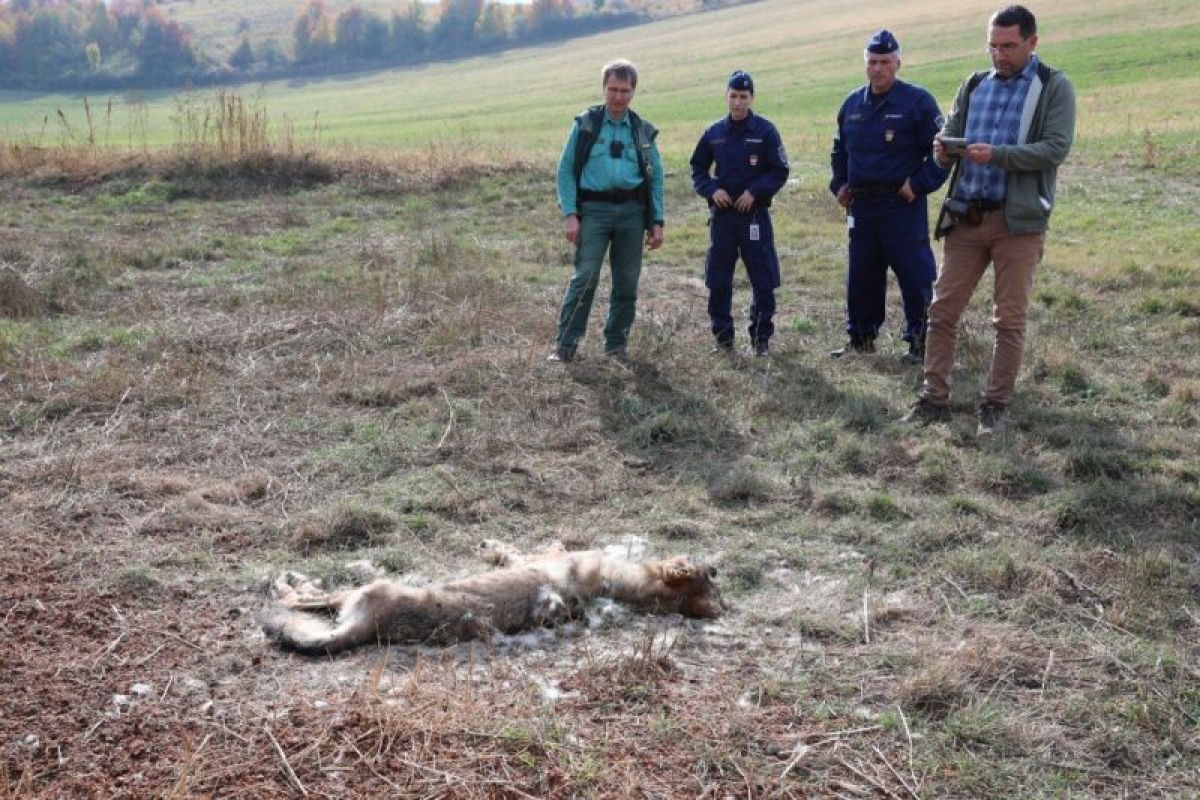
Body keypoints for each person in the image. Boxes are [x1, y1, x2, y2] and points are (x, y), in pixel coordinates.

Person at [903, 5, 1075, 435]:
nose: (999, 55)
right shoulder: (974, 84)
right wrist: (943, 150)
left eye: (1008, 46)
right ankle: (933, 399)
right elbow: (950, 134)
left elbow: (1055, 148)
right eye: (992, 46)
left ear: (1033, 42)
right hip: (966, 216)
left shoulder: (1053, 86)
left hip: (1018, 222)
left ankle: (995, 406)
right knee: (941, 311)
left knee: (1009, 320)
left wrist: (998, 155)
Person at [829, 29, 949, 362]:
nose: (878, 68)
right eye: (872, 62)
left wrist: (919, 184)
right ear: (865, 65)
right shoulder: (852, 105)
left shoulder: (917, 102)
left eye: (885, 62)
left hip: (901, 205)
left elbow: (943, 153)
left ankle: (922, 344)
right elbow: (839, 152)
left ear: (897, 63)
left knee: (915, 275)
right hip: (861, 207)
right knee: (862, 275)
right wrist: (839, 184)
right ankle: (861, 339)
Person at [549, 58, 666, 363]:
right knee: (585, 277)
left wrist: (657, 221)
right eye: (613, 89)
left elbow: (656, 178)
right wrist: (570, 214)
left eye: (624, 91)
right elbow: (565, 170)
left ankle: (616, 347)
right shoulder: (586, 125)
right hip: (594, 211)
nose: (618, 96)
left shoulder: (642, 131)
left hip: (632, 213)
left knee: (626, 282)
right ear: (603, 88)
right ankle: (565, 347)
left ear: (633, 92)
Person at [690, 70, 790, 357]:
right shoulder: (714, 133)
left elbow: (780, 170)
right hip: (723, 217)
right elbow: (698, 168)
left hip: (753, 216)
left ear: (752, 98)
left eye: (743, 97)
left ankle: (761, 339)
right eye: (733, 96)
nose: (737, 102)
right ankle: (723, 339)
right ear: (726, 96)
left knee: (763, 279)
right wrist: (712, 190)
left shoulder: (765, 131)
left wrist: (755, 192)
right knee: (718, 279)